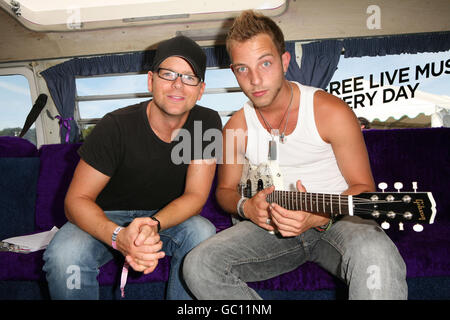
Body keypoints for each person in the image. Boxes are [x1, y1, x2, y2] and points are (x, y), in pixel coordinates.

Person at [183, 10, 407, 300]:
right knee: (199, 265)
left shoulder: (331, 112)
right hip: (272, 231)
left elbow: (364, 188)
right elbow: (225, 191)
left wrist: (315, 216)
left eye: (265, 63)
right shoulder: (236, 126)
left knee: (377, 255)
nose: (255, 79)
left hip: (338, 222)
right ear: (234, 72)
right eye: (243, 68)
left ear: (284, 61)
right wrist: (246, 207)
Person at [43, 35, 222, 300]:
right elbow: (76, 201)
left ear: (200, 89)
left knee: (203, 231)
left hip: (165, 217)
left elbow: (195, 196)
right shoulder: (114, 126)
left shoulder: (207, 122)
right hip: (105, 217)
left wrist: (153, 224)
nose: (177, 85)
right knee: (63, 256)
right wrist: (118, 237)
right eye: (168, 74)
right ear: (151, 80)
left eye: (188, 77)